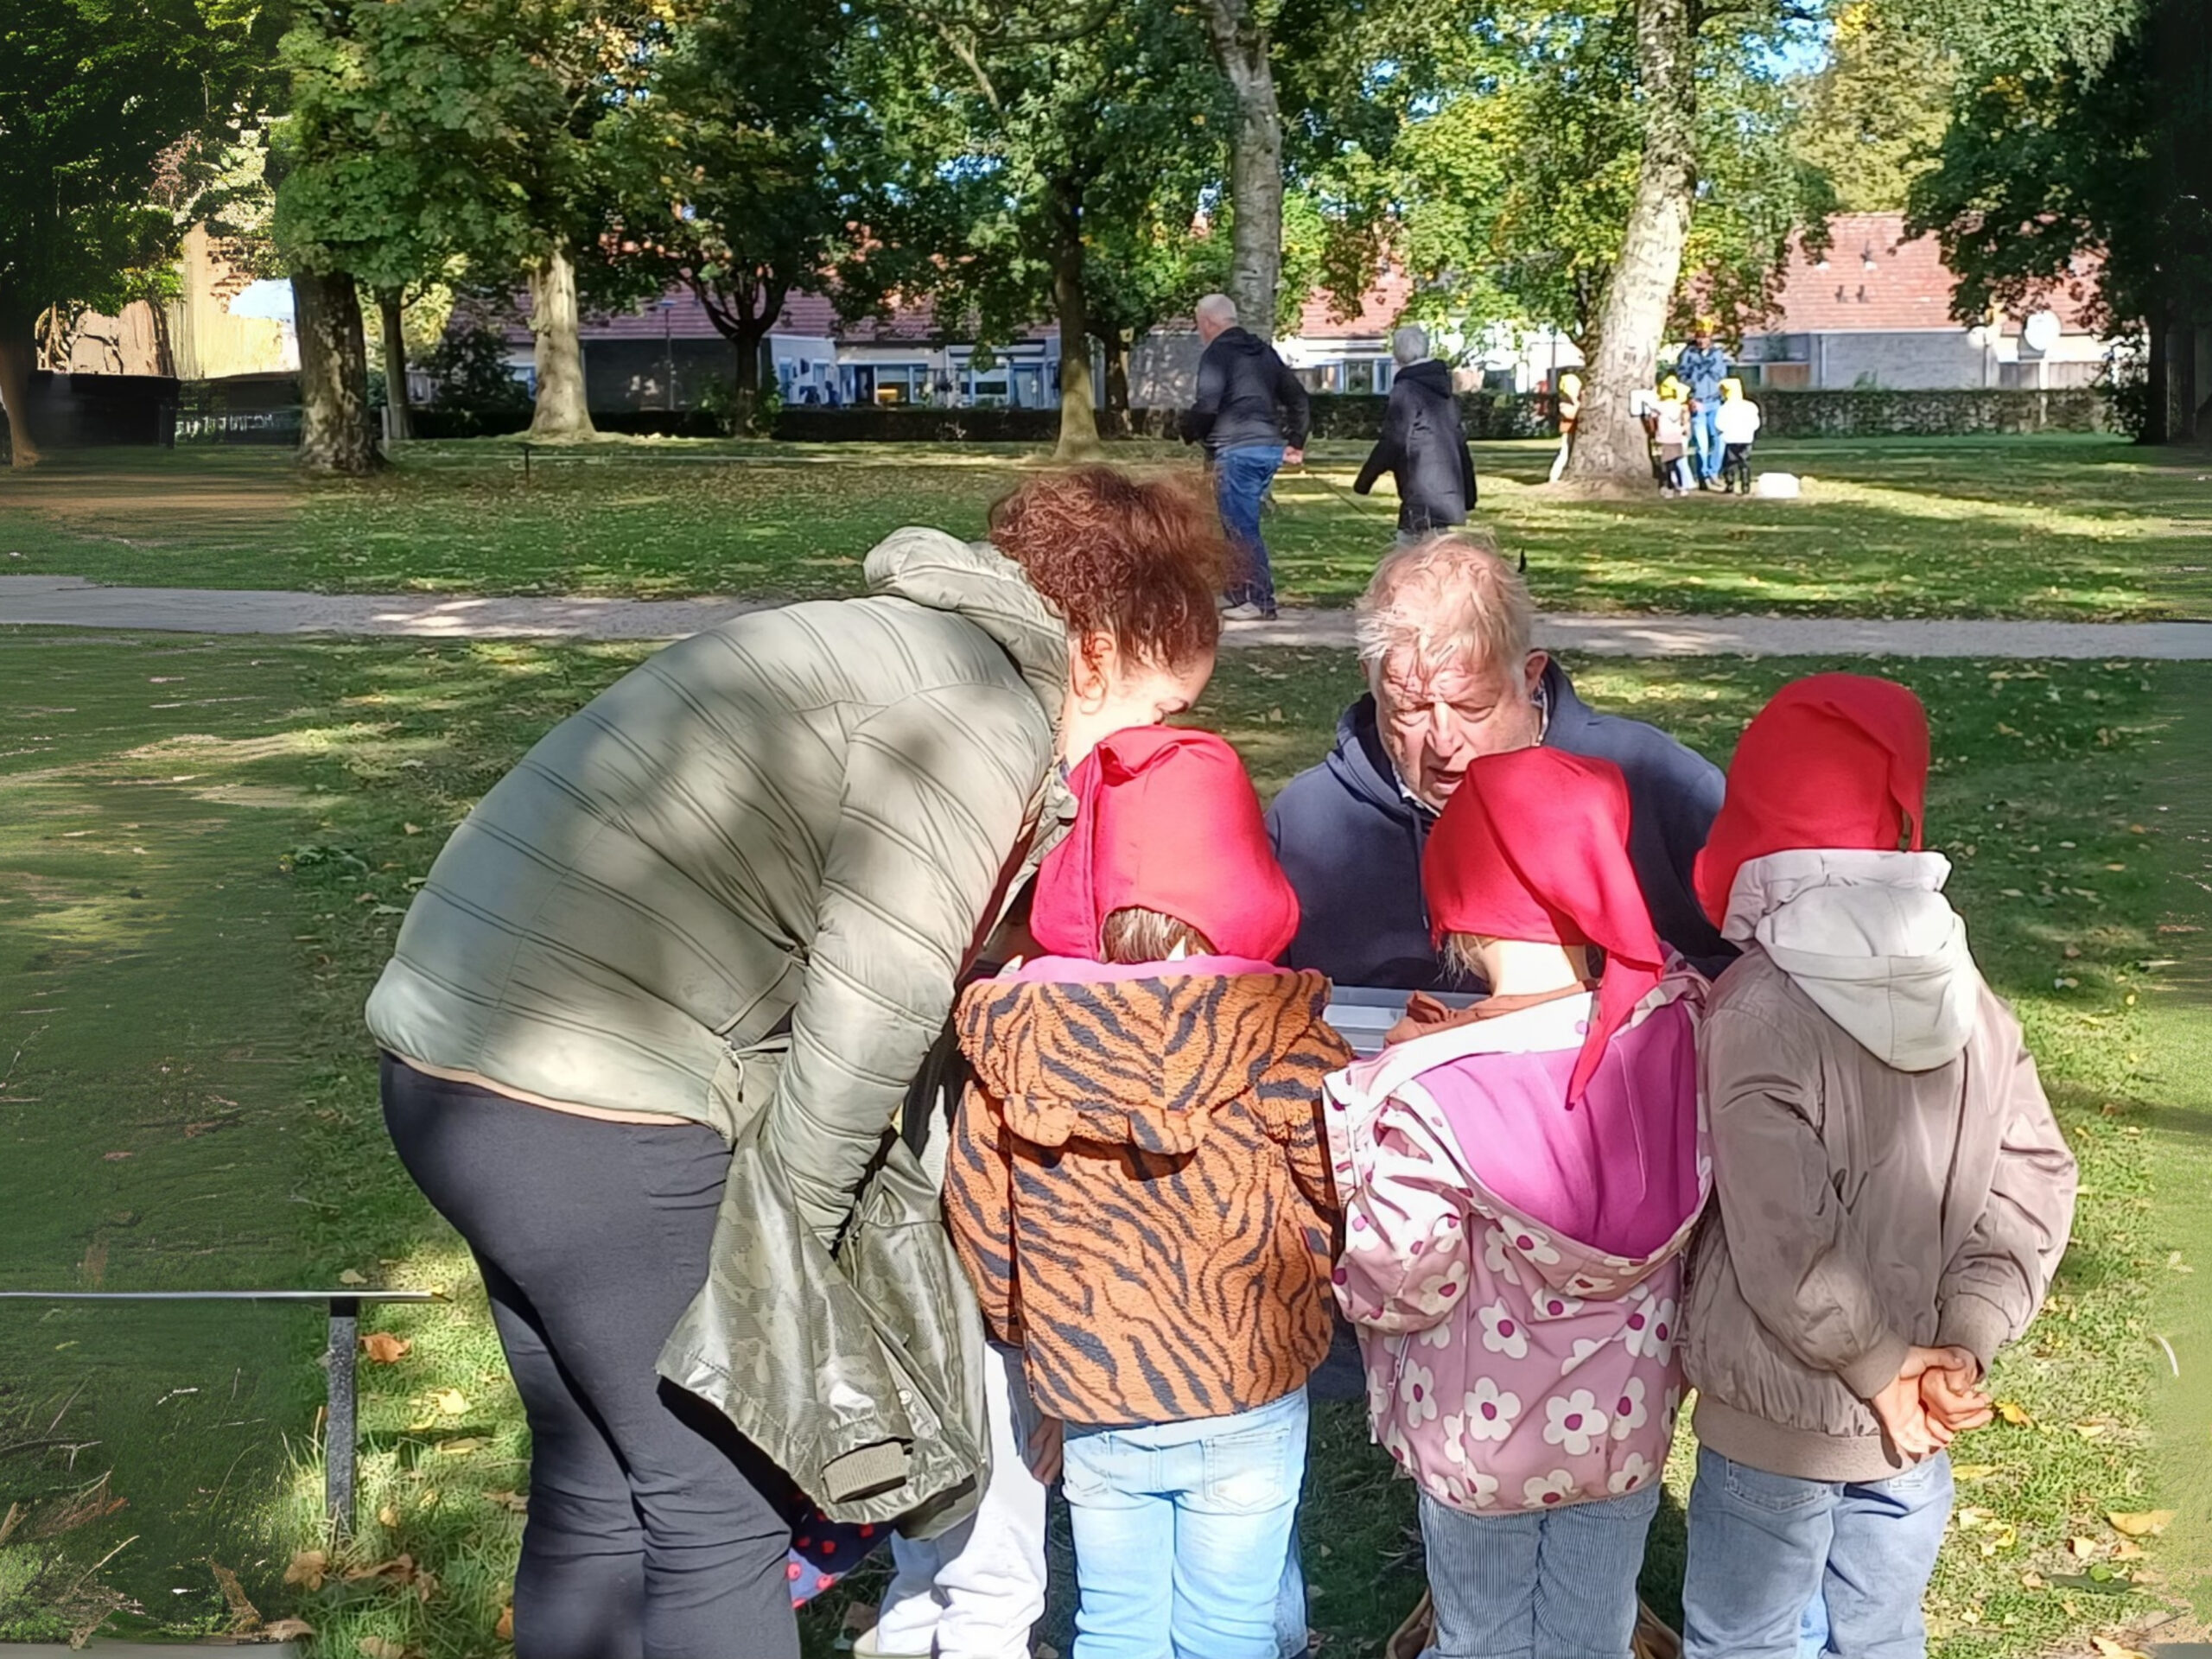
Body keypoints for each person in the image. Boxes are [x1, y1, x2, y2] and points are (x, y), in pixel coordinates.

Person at [365, 467, 1230, 1659]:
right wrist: (783, 1259)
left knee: (600, 1481)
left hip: (450, 1068)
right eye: (1160, 709)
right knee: (720, 1515)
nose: (1146, 750)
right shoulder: (973, 715)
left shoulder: (885, 643)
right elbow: (875, 1010)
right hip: (592, 1107)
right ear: (1099, 647)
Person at [1678, 674, 2079, 1659]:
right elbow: (2032, 1177)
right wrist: (1961, 1339)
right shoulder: (1968, 993)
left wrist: (1881, 1363)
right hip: (1920, 1421)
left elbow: (1781, 1237)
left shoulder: (1755, 1007)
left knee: (1743, 1639)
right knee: (1882, 1634)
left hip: (1778, 1417)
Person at [945, 726, 1351, 1659]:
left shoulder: (1016, 1040)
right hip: (1246, 1380)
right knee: (1230, 1626)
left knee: (1115, 1622)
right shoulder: (1278, 1033)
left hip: (1095, 1384)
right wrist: (1318, 1281)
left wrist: (1032, 1338)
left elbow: (980, 1216)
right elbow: (1344, 1184)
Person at [1325, 745, 1707, 1659]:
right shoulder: (1678, 1029)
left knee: (1480, 1635)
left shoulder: (1429, 1090)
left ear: (1457, 897)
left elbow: (1403, 1278)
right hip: (1624, 1429)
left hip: (1476, 1443)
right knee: (1592, 1631)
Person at [1268, 532, 1732, 992]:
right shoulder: (1307, 821)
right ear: (1369, 680)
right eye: (1411, 709)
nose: (1444, 741)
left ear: (1530, 676)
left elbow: (1758, 977)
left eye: (1472, 707)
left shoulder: (1659, 787)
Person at [1180, 292, 1312, 621]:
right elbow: (1299, 398)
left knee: (1241, 528)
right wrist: (1296, 440)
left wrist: (1187, 430)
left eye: (1199, 324)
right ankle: (1237, 594)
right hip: (1267, 449)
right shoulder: (1264, 352)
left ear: (1208, 323)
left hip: (1235, 450)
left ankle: (1260, 600)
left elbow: (1207, 407)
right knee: (1235, 523)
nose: (1200, 331)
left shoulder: (1216, 354)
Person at [1353, 324, 1478, 537]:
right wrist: (1468, 495)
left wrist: (1364, 482)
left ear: (1398, 354)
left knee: (1409, 552)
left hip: (1421, 493)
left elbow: (1393, 441)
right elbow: (1459, 445)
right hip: (1447, 493)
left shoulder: (1406, 390)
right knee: (1435, 547)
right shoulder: (1445, 393)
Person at [1675, 325, 1730, 491]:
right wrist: (1691, 394)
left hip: (1715, 401)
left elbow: (1722, 375)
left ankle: (1714, 472)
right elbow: (1681, 375)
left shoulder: (1717, 354)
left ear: (1710, 338)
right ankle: (1703, 475)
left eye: (1705, 337)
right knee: (1702, 443)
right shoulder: (1688, 354)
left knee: (1720, 439)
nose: (1701, 340)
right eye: (1699, 337)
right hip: (1698, 401)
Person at [1714, 376, 1761, 494]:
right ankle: (1746, 486)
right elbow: (1755, 424)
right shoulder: (1750, 406)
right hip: (1746, 438)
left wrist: (1724, 431)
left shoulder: (1724, 408)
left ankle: (1730, 485)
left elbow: (1719, 425)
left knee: (1729, 464)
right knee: (1745, 463)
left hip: (1731, 439)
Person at [1654, 376, 1691, 495]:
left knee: (1666, 465)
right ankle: (1682, 486)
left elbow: (1651, 408)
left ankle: (1669, 487)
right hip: (1676, 437)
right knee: (1675, 464)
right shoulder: (1678, 406)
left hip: (1665, 438)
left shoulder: (1661, 406)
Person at [1548, 371, 1581, 485]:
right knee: (1564, 454)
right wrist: (1577, 405)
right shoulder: (1564, 402)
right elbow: (1571, 414)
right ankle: (1554, 478)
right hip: (1569, 431)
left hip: (1578, 431)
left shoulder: (1581, 398)